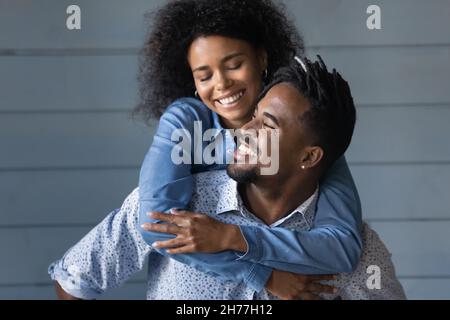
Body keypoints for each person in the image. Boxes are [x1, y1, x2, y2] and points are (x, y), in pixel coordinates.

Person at [49, 57, 405, 299]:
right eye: (254, 115)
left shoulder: (360, 252)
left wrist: (234, 240)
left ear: (309, 157)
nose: (244, 131)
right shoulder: (177, 208)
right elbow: (75, 279)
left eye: (268, 125)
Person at [131, 0, 363, 292]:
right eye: (204, 76)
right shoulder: (185, 121)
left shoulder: (304, 133)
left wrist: (234, 236)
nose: (222, 84)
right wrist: (262, 275)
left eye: (234, 65)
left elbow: (342, 246)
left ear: (262, 59)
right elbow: (157, 227)